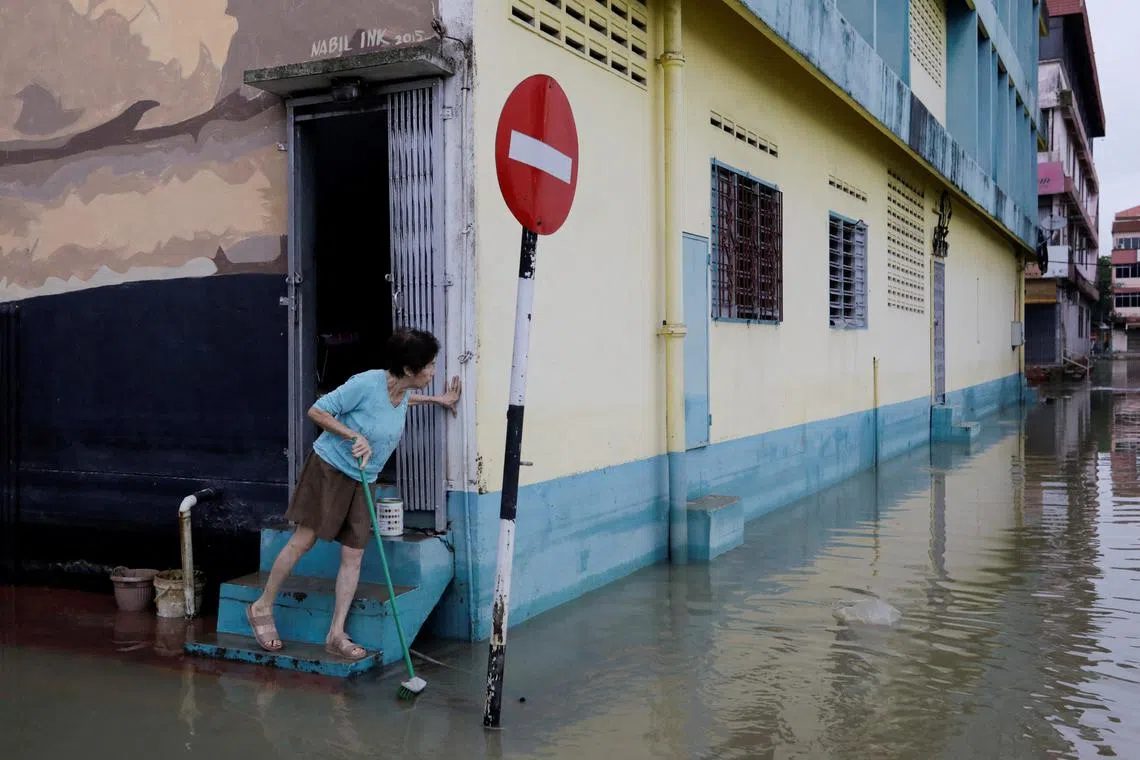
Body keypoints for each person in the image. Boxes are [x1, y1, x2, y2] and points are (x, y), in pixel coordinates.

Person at [246, 327, 460, 659]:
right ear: (408, 369)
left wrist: (439, 400)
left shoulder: (401, 392)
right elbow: (317, 410)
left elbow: (406, 399)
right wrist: (352, 435)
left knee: (354, 554)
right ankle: (262, 606)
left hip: (365, 479)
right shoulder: (366, 383)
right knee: (304, 540)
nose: (433, 371)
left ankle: (335, 633)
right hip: (329, 470)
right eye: (429, 366)